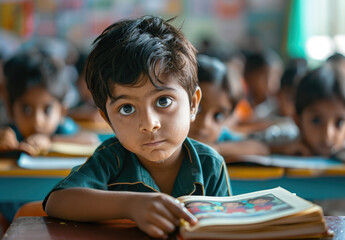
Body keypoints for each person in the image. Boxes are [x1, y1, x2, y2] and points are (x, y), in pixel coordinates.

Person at [43, 15, 232, 239]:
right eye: (126, 109)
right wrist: (131, 205)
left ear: (192, 104)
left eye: (163, 101)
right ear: (107, 119)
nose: (149, 123)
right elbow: (57, 201)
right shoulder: (111, 158)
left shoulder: (211, 165)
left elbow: (225, 230)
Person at [0, 50, 99, 156]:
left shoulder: (62, 129)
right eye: (26, 110)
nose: (37, 121)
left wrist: (50, 140)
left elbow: (92, 140)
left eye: (47, 110)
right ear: (11, 110)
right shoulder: (11, 133)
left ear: (62, 111)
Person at [188, 54, 269, 160]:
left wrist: (215, 149)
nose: (205, 123)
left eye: (218, 116)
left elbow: (260, 148)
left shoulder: (221, 137)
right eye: (198, 108)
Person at [271, 63, 345, 158]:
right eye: (316, 120)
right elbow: (250, 146)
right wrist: (278, 149)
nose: (328, 135)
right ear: (297, 120)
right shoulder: (284, 140)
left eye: (339, 123)